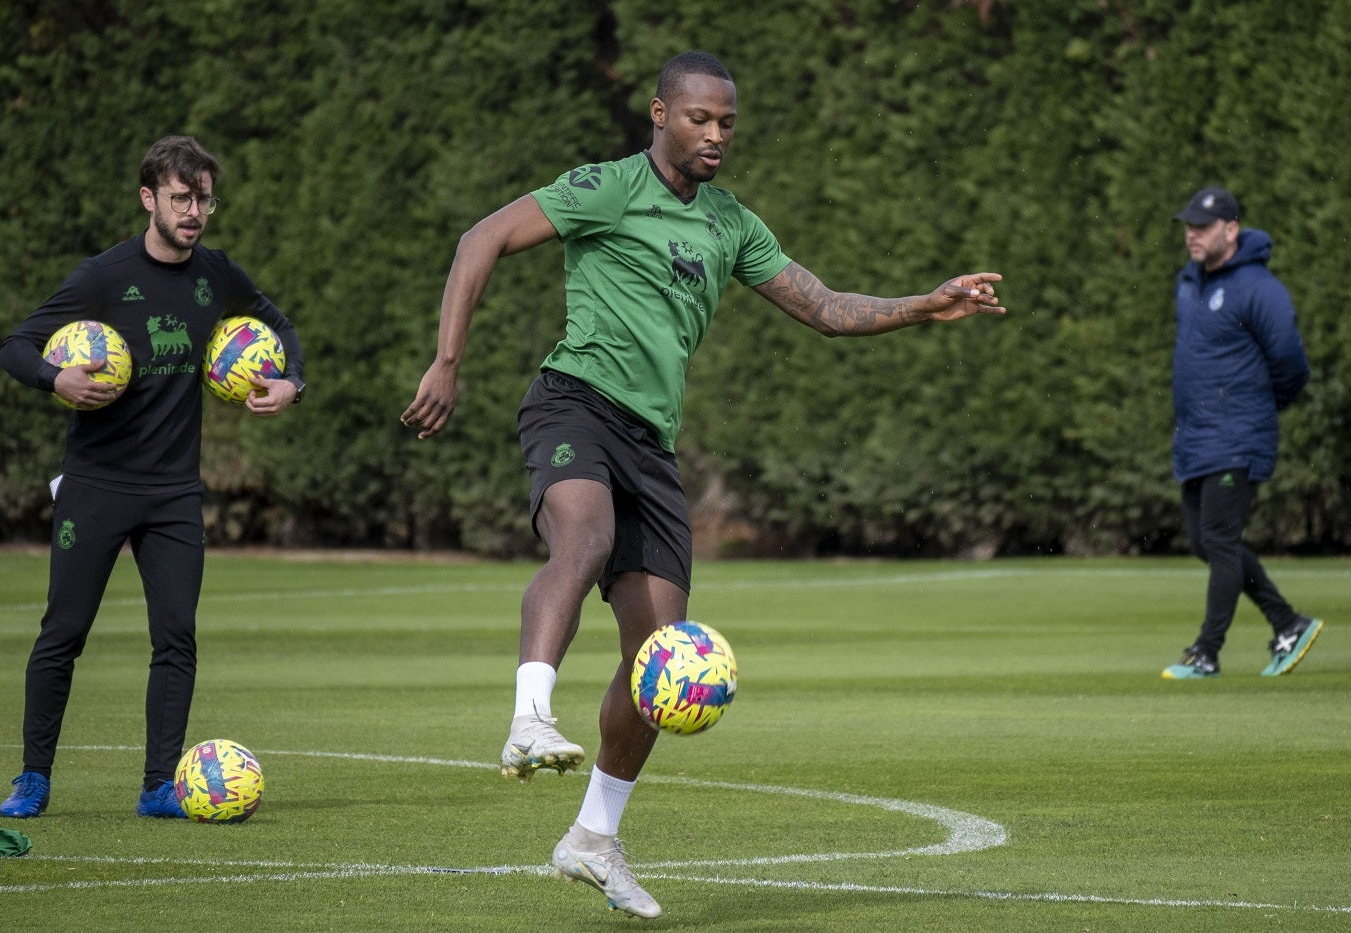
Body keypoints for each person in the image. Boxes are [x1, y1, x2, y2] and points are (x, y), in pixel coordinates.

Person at [400, 51, 1003, 918]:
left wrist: (922, 303)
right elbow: (481, 236)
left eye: (727, 123)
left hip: (651, 446)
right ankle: (530, 715)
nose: (717, 134)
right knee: (585, 538)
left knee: (660, 662)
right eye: (700, 119)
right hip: (573, 402)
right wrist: (448, 361)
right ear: (659, 114)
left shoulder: (732, 224)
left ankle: (593, 838)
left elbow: (824, 306)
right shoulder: (607, 187)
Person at [0, 136, 306, 819]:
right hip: (97, 484)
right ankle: (33, 777)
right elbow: (14, 347)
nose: (194, 212)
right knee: (63, 631)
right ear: (149, 198)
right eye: (181, 198)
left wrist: (292, 381)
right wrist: (57, 378)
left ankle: (159, 783)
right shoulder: (103, 278)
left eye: (204, 199)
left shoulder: (215, 276)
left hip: (173, 492)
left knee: (176, 635)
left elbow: (278, 324)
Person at [1160, 186, 1321, 681]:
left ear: (1231, 230)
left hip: (1236, 435)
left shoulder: (1258, 286)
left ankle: (1206, 653)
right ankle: (1288, 622)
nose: (1193, 235)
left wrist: (1261, 408)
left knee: (1220, 542)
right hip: (1197, 437)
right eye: (1189, 226)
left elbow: (1290, 362)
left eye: (1203, 227)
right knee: (1204, 542)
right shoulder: (1190, 283)